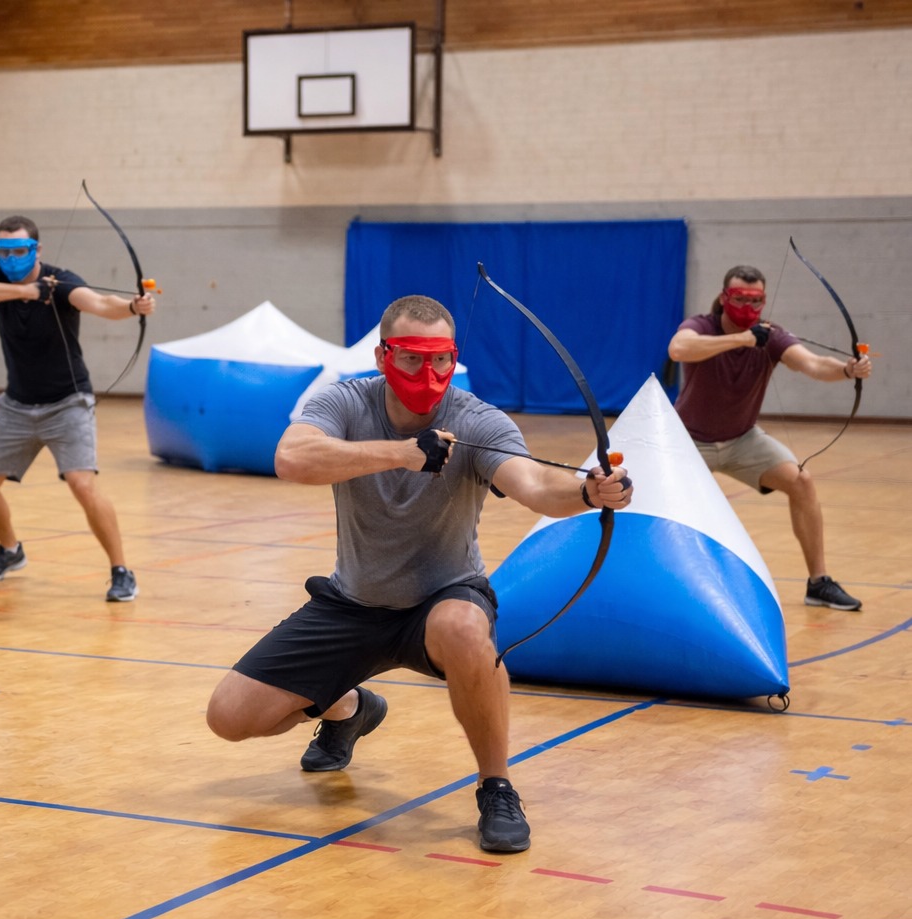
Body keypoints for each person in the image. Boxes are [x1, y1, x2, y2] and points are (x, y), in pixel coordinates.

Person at [204, 295, 633, 854]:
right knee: (229, 717)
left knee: (461, 628)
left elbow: (530, 484)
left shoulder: (477, 418)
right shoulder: (346, 401)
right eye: (411, 358)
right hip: (352, 603)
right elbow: (292, 457)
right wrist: (401, 454)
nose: (427, 375)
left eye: (440, 360)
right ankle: (352, 708)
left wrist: (585, 490)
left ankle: (496, 786)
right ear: (384, 355)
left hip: (444, 599)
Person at [0, 215, 157, 602]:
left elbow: (99, 302)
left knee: (83, 484)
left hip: (68, 403)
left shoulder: (60, 280)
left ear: (37, 250)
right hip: (16, 405)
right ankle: (11, 550)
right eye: (4, 251)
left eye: (20, 250)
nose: (11, 257)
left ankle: (121, 570)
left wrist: (133, 307)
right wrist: (25, 293)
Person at [668, 264, 874, 611]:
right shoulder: (701, 325)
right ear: (724, 297)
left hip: (743, 440)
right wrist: (742, 339)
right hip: (689, 442)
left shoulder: (771, 335)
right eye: (739, 298)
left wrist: (846, 369)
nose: (748, 307)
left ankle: (818, 583)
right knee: (667, 505)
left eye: (756, 299)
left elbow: (810, 363)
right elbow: (679, 349)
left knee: (802, 482)